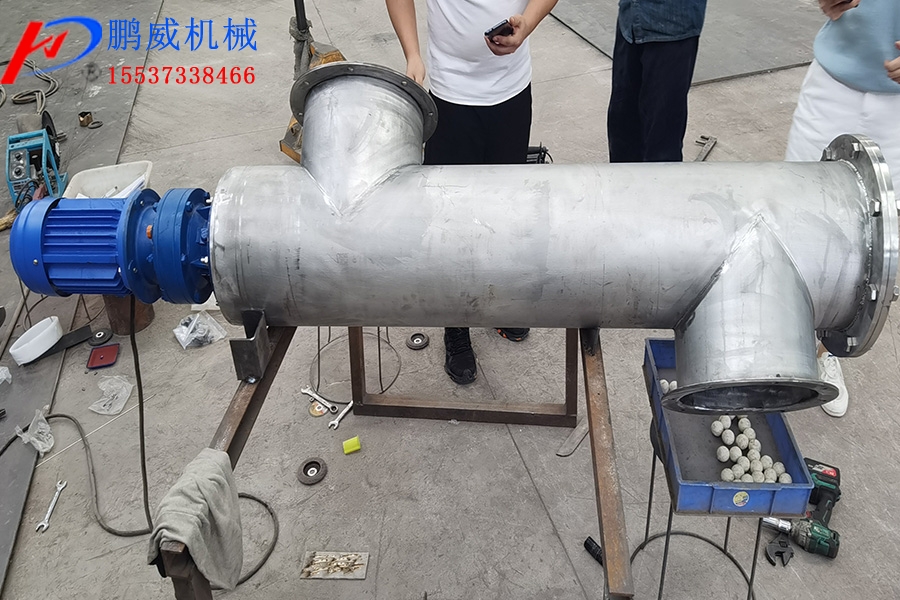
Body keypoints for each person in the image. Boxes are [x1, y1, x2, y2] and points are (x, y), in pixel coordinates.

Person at [385, 0, 558, 384]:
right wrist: (413, 54)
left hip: (512, 91)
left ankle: (499, 302)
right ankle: (456, 322)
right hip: (451, 94)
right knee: (451, 218)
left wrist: (527, 23)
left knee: (504, 207)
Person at [786, 0, 900, 418]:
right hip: (833, 86)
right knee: (795, 217)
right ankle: (780, 338)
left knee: (868, 246)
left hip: (897, 109)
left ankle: (823, 349)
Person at [607, 0, 709, 163]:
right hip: (631, 21)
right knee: (622, 127)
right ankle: (623, 178)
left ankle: (661, 179)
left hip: (672, 27)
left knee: (661, 138)